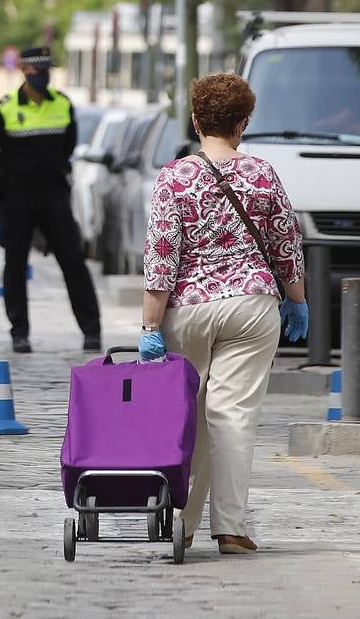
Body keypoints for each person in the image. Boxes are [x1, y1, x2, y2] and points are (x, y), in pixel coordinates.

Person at [141, 73, 306, 555]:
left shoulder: (175, 177)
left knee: (188, 417)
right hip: (252, 309)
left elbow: (161, 257)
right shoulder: (262, 174)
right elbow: (285, 246)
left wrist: (151, 326)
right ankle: (230, 528)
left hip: (188, 309)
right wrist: (297, 301)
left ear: (195, 121)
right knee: (232, 415)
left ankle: (183, 526)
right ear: (243, 123)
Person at [0, 46, 101, 354]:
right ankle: (20, 333)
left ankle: (91, 331)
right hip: (17, 194)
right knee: (15, 264)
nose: (43, 76)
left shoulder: (62, 104)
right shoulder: (5, 108)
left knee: (73, 261)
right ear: (24, 72)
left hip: (53, 193)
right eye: (37, 71)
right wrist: (10, 170)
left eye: (47, 70)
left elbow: (69, 144)